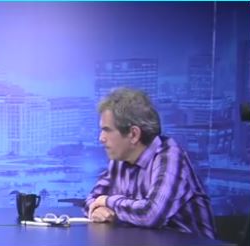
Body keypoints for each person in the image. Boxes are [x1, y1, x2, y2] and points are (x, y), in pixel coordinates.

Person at [85, 88, 215, 238]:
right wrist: (98, 209)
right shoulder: (119, 160)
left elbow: (152, 213)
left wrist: (108, 202)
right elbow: (92, 200)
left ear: (133, 134)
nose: (101, 138)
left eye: (107, 130)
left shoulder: (170, 156)